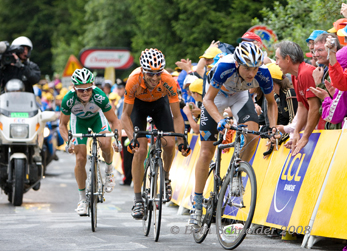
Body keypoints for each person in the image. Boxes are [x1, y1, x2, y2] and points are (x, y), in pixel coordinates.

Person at [189, 42, 278, 229]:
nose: (251, 73)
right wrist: (219, 119)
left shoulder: (263, 73)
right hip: (216, 96)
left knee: (253, 133)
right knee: (206, 152)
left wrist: (273, 128)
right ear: (237, 63)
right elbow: (207, 99)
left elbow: (271, 103)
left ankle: (236, 173)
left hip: (239, 96)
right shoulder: (224, 66)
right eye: (247, 68)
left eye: (255, 68)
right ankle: (197, 202)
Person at [120, 48, 190, 220]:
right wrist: (132, 139)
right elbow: (125, 116)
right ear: (143, 71)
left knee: (169, 143)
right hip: (138, 106)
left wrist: (181, 139)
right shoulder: (133, 80)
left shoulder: (168, 80)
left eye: (158, 73)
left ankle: (165, 178)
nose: (155, 78)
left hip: (160, 105)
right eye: (150, 73)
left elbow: (177, 116)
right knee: (140, 150)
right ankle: (137, 200)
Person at [59, 68, 122, 216]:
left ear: (92, 85)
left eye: (88, 89)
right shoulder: (68, 99)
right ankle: (82, 200)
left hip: (97, 119)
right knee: (80, 157)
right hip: (78, 121)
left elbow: (114, 121)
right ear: (74, 88)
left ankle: (109, 170)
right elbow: (62, 125)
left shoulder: (100, 96)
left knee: (105, 143)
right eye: (81, 90)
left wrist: (116, 139)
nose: (85, 93)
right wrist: (68, 142)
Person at [275, 40, 321, 156]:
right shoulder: (296, 76)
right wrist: (296, 133)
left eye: (277, 59)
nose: (276, 63)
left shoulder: (305, 73)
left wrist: (305, 137)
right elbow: (302, 107)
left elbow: (314, 108)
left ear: (287, 59)